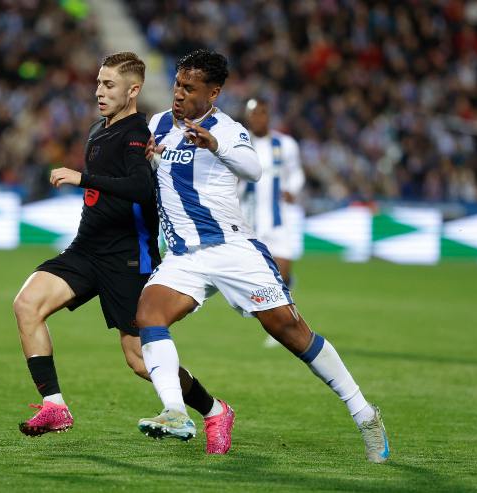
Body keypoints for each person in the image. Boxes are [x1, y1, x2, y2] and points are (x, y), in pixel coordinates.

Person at [136, 49, 389, 463]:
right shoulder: (159, 124)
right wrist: (147, 160)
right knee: (148, 315)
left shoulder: (227, 129)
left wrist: (215, 144)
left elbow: (253, 169)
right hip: (184, 256)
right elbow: (160, 177)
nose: (178, 93)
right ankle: (176, 412)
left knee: (290, 332)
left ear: (213, 93)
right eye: (177, 84)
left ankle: (364, 413)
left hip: (232, 250)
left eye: (189, 88)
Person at [12, 52, 232, 454]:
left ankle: (215, 410)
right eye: (98, 83)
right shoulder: (99, 129)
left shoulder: (135, 134)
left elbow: (140, 188)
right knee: (27, 304)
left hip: (128, 259)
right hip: (86, 249)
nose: (99, 91)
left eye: (109, 85)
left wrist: (82, 178)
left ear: (133, 90)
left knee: (138, 360)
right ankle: (54, 406)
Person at [241, 97, 305, 348]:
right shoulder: (239, 142)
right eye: (254, 114)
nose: (258, 118)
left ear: (268, 115)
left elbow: (296, 173)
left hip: (278, 219)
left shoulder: (285, 144)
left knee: (283, 271)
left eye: (262, 113)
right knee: (256, 276)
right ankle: (274, 318)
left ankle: (285, 324)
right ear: (248, 117)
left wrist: (292, 189)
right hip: (249, 219)